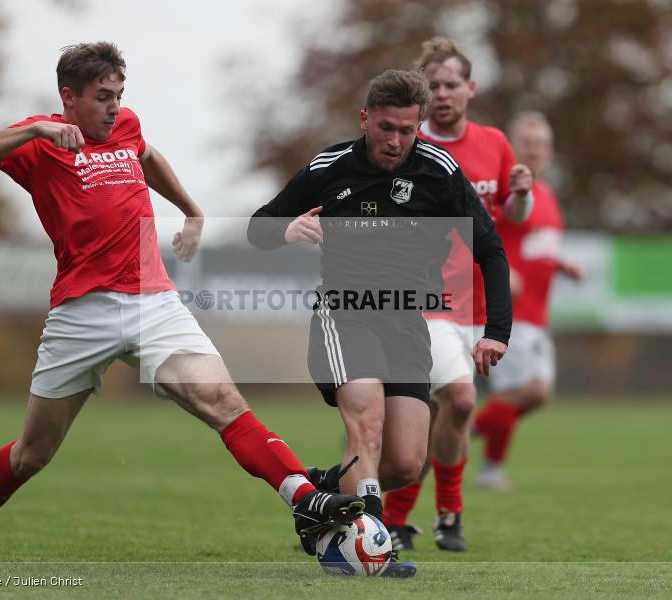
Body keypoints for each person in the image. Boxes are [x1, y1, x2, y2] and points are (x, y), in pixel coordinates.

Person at [0, 42, 365, 563]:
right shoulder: (40, 141)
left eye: (119, 94)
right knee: (32, 454)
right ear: (69, 97)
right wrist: (37, 130)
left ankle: (306, 501)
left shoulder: (125, 126)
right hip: (81, 313)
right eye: (103, 97)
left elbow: (147, 156)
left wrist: (192, 209)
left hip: (154, 302)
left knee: (223, 403)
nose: (114, 106)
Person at [248, 69, 512, 577]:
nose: (395, 141)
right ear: (365, 119)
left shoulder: (438, 172)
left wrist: (496, 330)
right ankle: (372, 552)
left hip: (407, 321)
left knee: (404, 463)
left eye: (406, 130)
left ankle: (321, 494)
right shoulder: (329, 167)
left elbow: (491, 250)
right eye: (386, 127)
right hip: (344, 314)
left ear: (419, 127)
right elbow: (260, 228)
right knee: (366, 426)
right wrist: (289, 228)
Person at [381, 37, 533, 553]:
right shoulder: (406, 147)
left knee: (450, 409)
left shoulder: (494, 143)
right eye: (434, 86)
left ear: (471, 88)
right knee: (457, 398)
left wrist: (524, 192)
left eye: (451, 85)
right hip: (430, 299)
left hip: (483, 301)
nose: (443, 94)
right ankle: (442, 512)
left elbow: (511, 218)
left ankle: (402, 517)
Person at [472, 111, 583, 490]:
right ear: (512, 148)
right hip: (509, 312)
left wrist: (561, 265)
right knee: (530, 390)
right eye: (527, 144)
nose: (535, 151)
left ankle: (479, 457)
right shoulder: (504, 194)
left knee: (527, 396)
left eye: (541, 145)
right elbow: (478, 237)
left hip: (537, 314)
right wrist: (504, 274)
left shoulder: (548, 196)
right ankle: (471, 452)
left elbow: (538, 247)